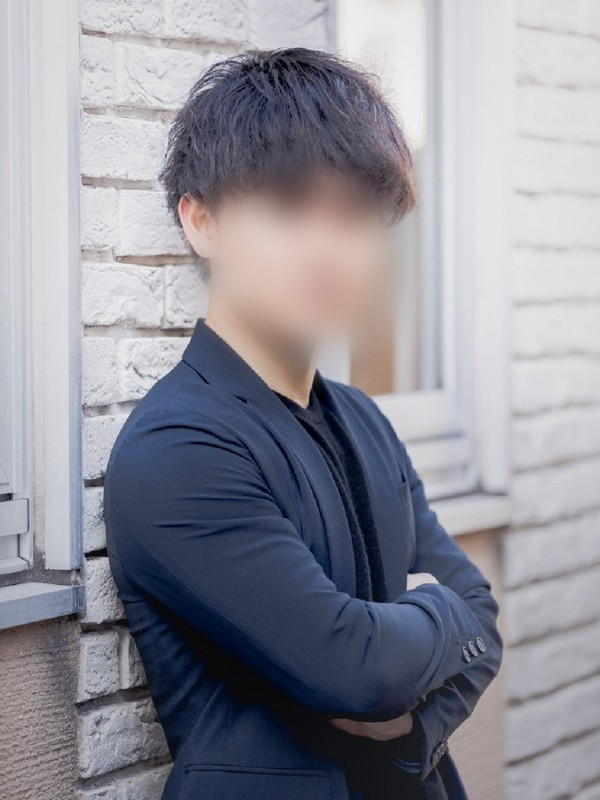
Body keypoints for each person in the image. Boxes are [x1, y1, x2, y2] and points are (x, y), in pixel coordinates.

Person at [104, 47, 502, 800]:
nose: (327, 248)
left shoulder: (364, 419)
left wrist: (409, 721)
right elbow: (356, 668)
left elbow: (483, 617)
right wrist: (441, 615)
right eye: (288, 207)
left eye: (354, 215)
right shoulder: (178, 447)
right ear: (201, 220)